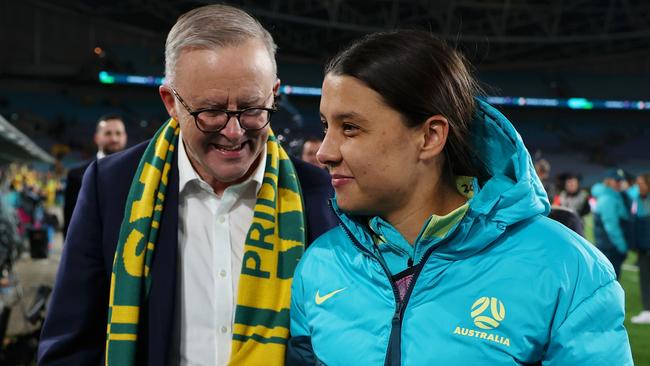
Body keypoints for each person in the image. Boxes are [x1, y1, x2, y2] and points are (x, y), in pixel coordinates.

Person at [287, 30, 632, 365]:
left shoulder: (566, 270)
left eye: (350, 127)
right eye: (325, 127)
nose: (325, 152)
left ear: (430, 136)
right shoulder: (320, 263)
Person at [39, 5, 335, 366]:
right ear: (171, 103)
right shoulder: (111, 187)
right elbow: (70, 347)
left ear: (273, 94)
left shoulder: (321, 195)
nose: (234, 131)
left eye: (252, 108)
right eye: (211, 112)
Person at [63, 114, 127, 237]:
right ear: (97, 138)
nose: (114, 138)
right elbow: (70, 222)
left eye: (118, 133)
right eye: (108, 133)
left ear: (125, 137)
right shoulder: (76, 175)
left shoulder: (140, 171)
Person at [591, 168, 632, 279]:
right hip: (610, 247)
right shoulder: (608, 198)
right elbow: (611, 227)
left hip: (609, 245)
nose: (620, 183)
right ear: (608, 181)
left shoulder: (614, 195)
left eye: (621, 180)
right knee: (611, 281)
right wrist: (622, 246)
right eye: (616, 180)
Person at [629, 172, 650, 324]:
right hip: (643, 248)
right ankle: (647, 311)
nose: (639, 186)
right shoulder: (637, 199)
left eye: (641, 183)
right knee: (645, 279)